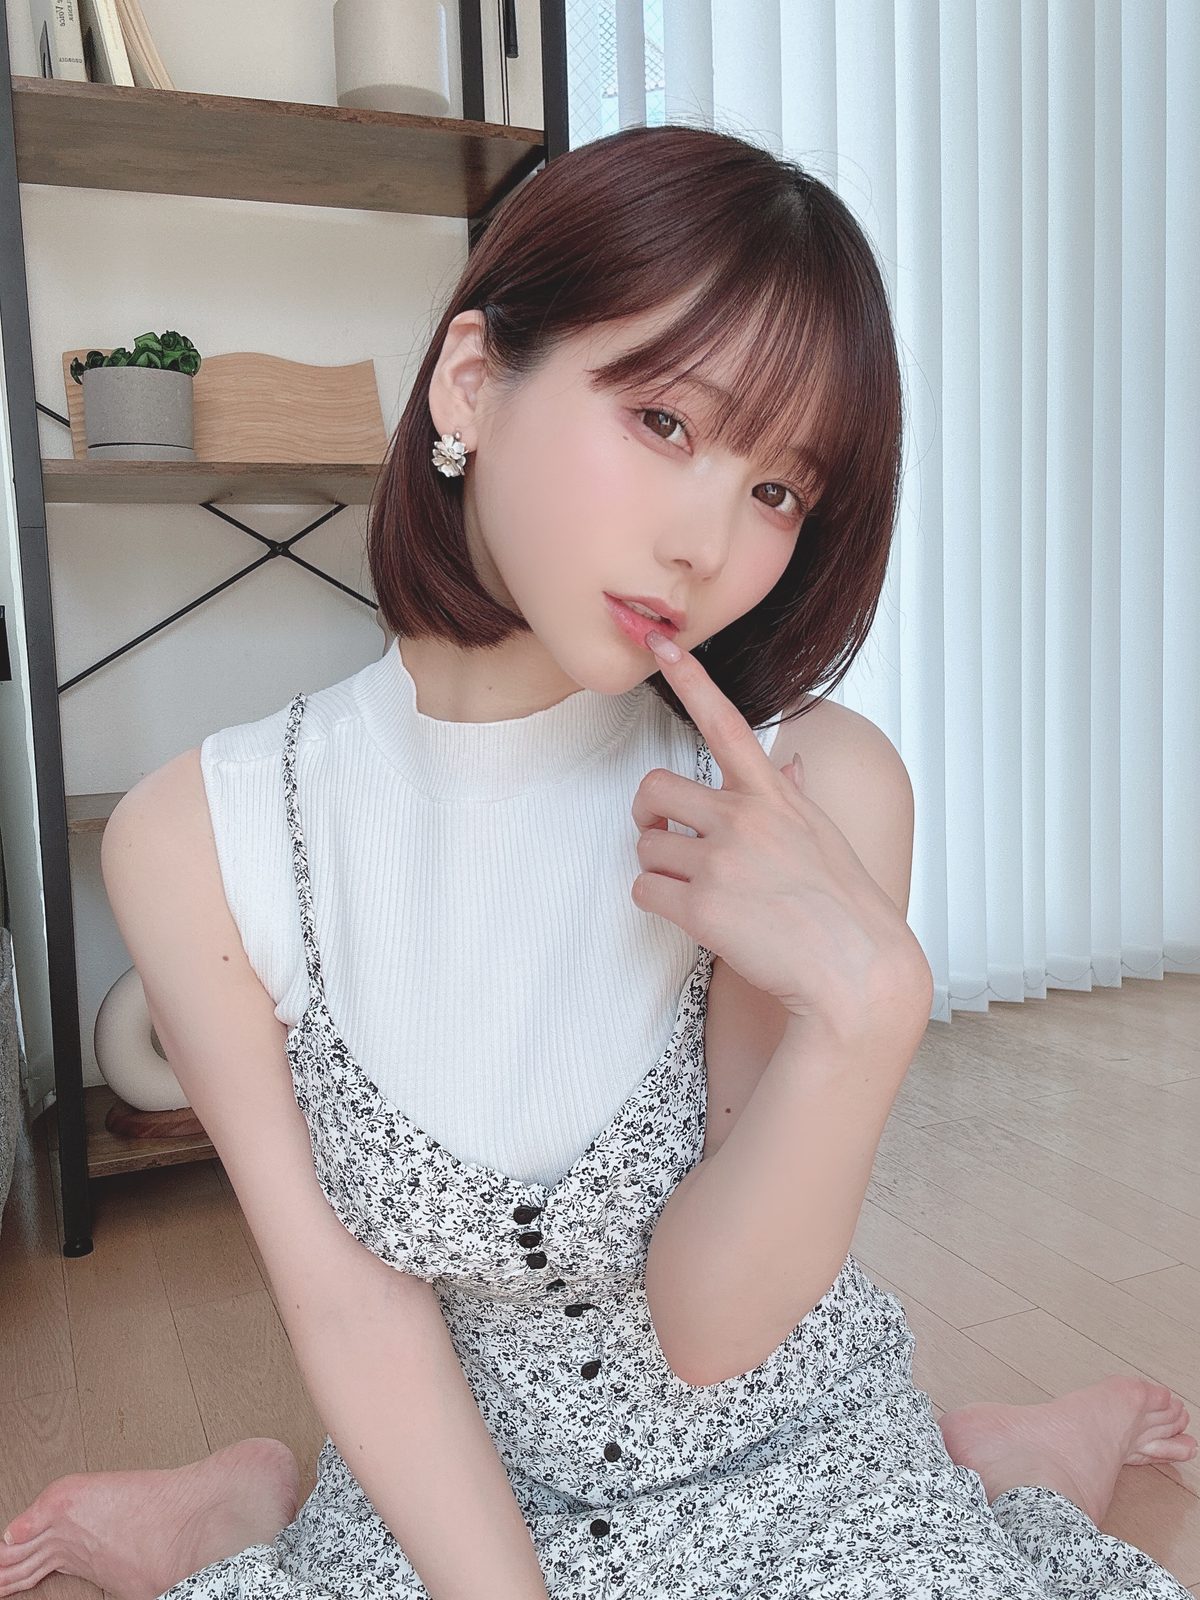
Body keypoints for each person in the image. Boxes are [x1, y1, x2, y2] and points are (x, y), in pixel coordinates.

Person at [2, 122, 1193, 1600]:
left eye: (780, 492)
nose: (710, 542)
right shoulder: (203, 836)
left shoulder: (809, 791)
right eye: (668, 422)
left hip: (787, 1460)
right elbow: (354, 1312)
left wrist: (871, 1010)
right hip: (455, 1480)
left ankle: (1008, 1460)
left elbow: (711, 1326)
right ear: (470, 384)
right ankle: (252, 1500)